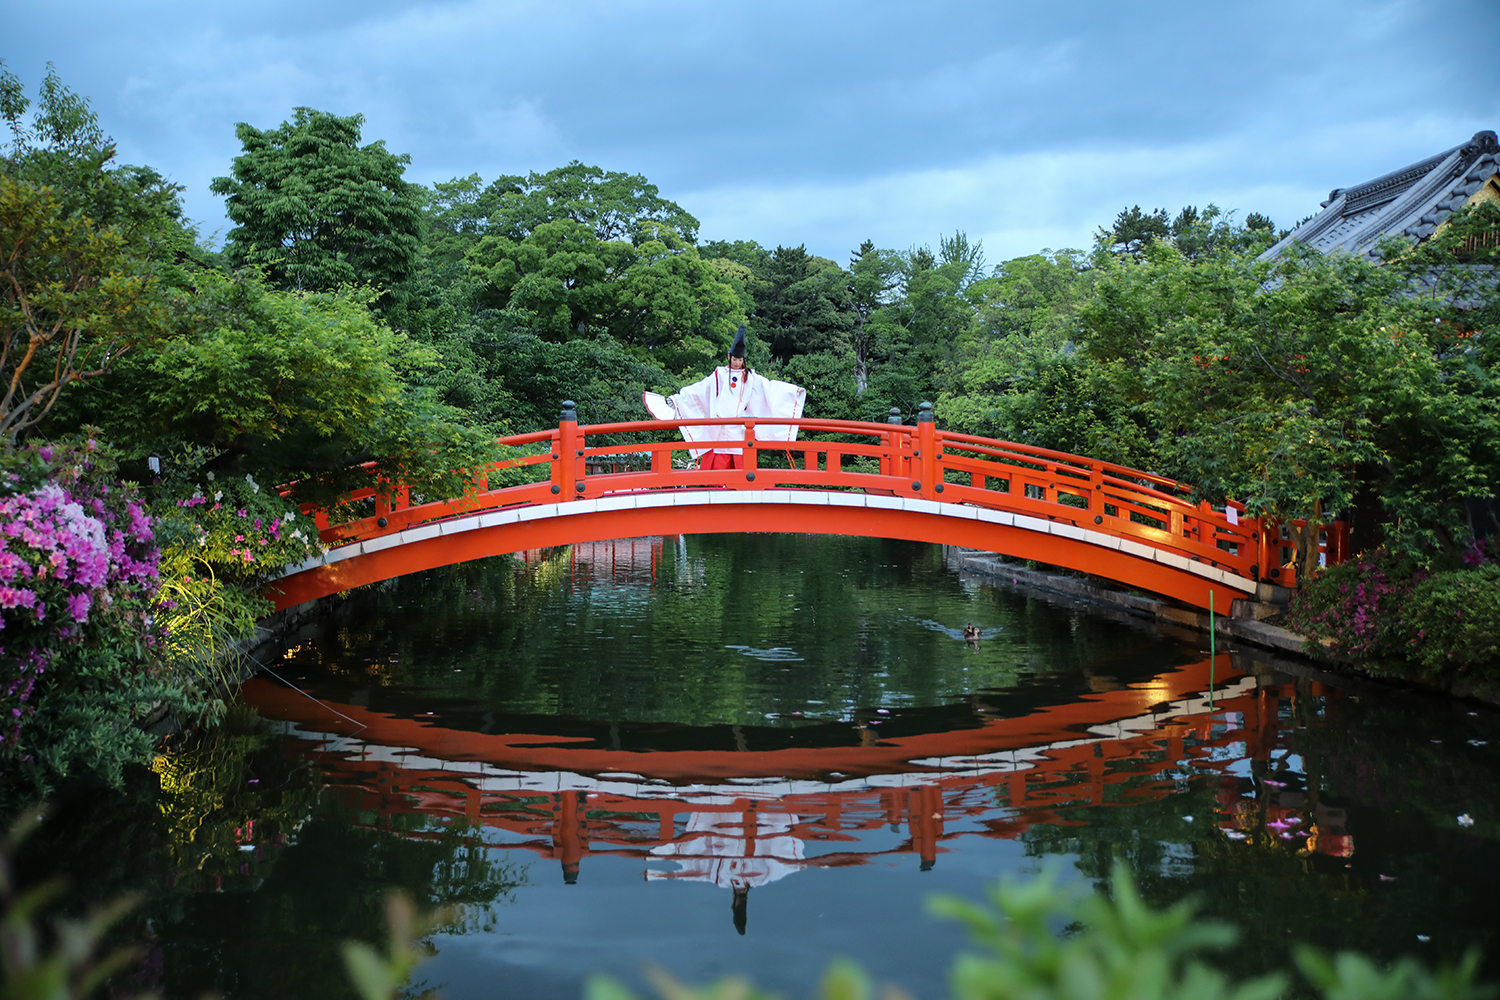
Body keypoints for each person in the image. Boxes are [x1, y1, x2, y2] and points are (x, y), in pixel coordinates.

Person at [643, 325, 806, 470]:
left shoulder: (750, 377)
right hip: (719, 425)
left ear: (743, 359)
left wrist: (792, 392)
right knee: (717, 460)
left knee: (741, 463)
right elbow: (700, 390)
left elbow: (769, 388)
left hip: (741, 427)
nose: (737, 362)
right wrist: (679, 399)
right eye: (735, 359)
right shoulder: (719, 374)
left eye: (740, 359)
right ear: (729, 357)